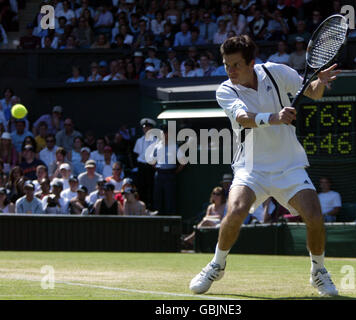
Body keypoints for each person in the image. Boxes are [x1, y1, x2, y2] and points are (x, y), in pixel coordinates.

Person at [189, 35, 340, 296]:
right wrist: (274, 117)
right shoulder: (226, 89)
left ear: (251, 63)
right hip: (251, 168)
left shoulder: (277, 72)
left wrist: (320, 83)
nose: (230, 71)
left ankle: (318, 271)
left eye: (235, 65)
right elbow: (243, 118)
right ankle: (217, 264)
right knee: (235, 211)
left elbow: (313, 93)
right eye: (226, 64)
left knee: (314, 215)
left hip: (288, 166)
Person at [149, 124, 185, 215]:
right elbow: (152, 161)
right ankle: (158, 217)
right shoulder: (157, 146)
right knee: (158, 197)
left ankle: (170, 220)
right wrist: (158, 168)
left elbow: (183, 161)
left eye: (166, 133)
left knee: (170, 199)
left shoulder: (174, 146)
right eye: (163, 133)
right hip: (159, 174)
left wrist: (175, 171)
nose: (165, 135)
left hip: (170, 175)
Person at [133, 118, 157, 208]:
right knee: (141, 188)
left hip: (151, 166)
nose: (146, 129)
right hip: (141, 166)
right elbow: (138, 153)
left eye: (148, 128)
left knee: (151, 187)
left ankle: (151, 207)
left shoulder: (156, 141)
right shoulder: (139, 141)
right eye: (145, 128)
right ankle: (142, 207)